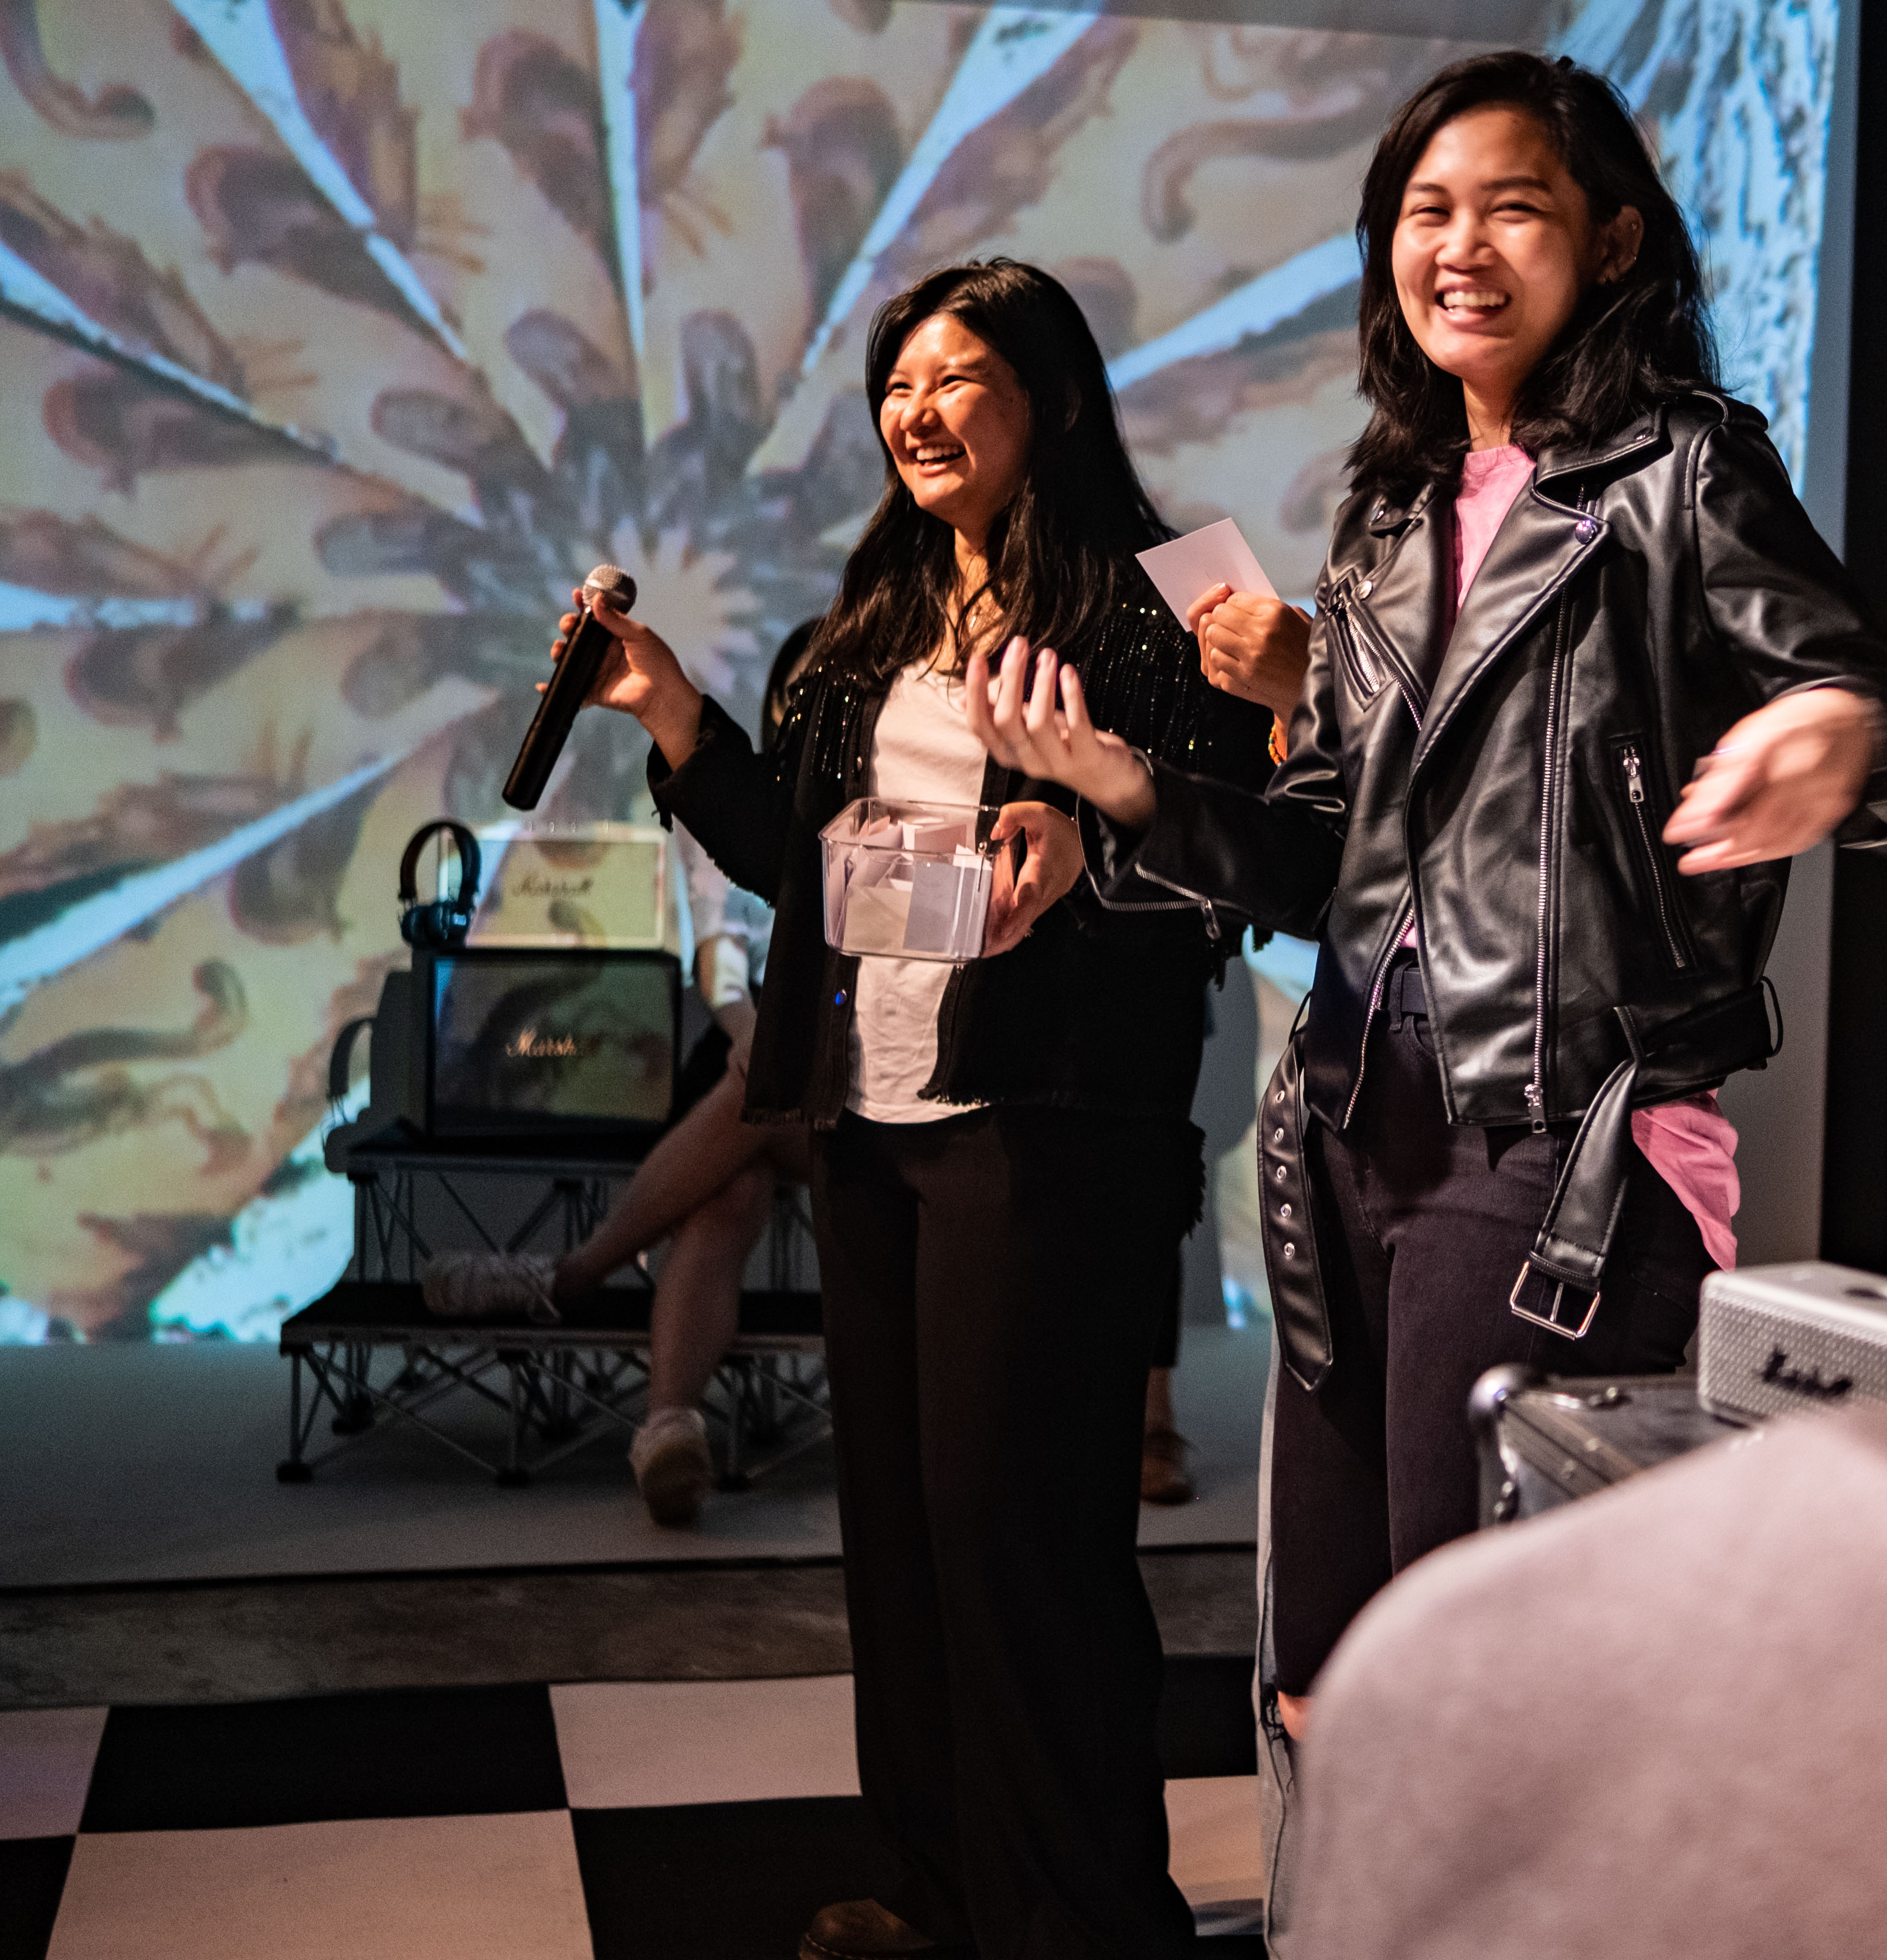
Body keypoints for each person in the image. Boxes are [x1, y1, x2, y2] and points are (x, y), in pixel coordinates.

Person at [963, 51, 1887, 1761]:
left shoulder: (1680, 473)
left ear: (1615, 245)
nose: (1461, 246)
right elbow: (1321, 854)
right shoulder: (1383, 511)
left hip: (1555, 1145)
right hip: (1349, 1128)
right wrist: (1126, 795)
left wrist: (1837, 732)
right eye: (1425, 212)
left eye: (1514, 207)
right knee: (1325, 1685)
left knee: (1482, 1694)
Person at [560, 259, 1266, 1960]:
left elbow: (1260, 834)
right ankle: (946, 1897)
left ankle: (1085, 1921)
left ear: (1054, 398)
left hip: (1056, 1122)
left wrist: (1098, 838)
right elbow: (797, 872)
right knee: (900, 1538)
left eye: (958, 376)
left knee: (1020, 1540)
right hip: (871, 1125)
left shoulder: (1181, 588)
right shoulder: (864, 623)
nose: (916, 411)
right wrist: (665, 709)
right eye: (896, 383)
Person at [425, 626, 823, 1530]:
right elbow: (718, 956)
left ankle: (570, 1277)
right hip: (750, 1053)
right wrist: (750, 1025)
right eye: (799, 695)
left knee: (764, 1090)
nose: (815, 709)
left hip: (850, 1072)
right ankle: (668, 1427)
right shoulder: (736, 801)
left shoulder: (881, 803)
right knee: (730, 1189)